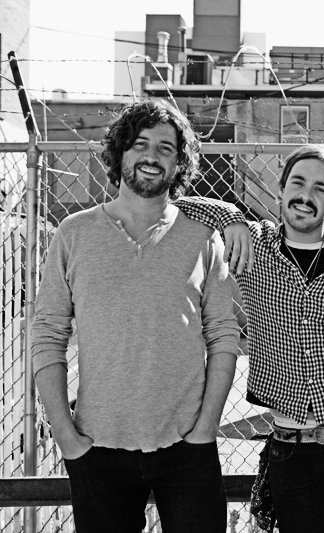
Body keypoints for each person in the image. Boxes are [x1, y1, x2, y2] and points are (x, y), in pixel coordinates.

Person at [30, 99, 244, 533]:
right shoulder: (74, 233)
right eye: (140, 144)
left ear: (179, 163)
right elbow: (48, 334)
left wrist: (206, 428)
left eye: (166, 148)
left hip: (187, 445)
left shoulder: (203, 238)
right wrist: (66, 437)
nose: (151, 156)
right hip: (98, 446)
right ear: (120, 153)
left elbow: (224, 334)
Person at [174, 143, 324, 533]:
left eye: (320, 189)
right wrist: (231, 215)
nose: (306, 196)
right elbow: (177, 202)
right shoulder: (252, 245)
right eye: (298, 183)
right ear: (281, 189)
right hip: (292, 444)